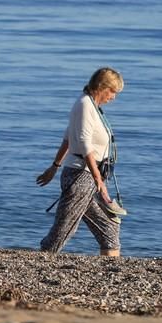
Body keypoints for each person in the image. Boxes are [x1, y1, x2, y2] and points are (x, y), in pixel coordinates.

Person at [37, 67, 126, 256]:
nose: (114, 97)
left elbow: (68, 138)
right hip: (81, 178)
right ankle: (35, 267)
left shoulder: (91, 106)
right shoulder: (85, 105)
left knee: (109, 229)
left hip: (86, 178)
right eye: (113, 91)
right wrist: (99, 181)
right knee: (60, 234)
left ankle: (109, 276)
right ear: (102, 87)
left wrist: (54, 166)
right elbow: (85, 145)